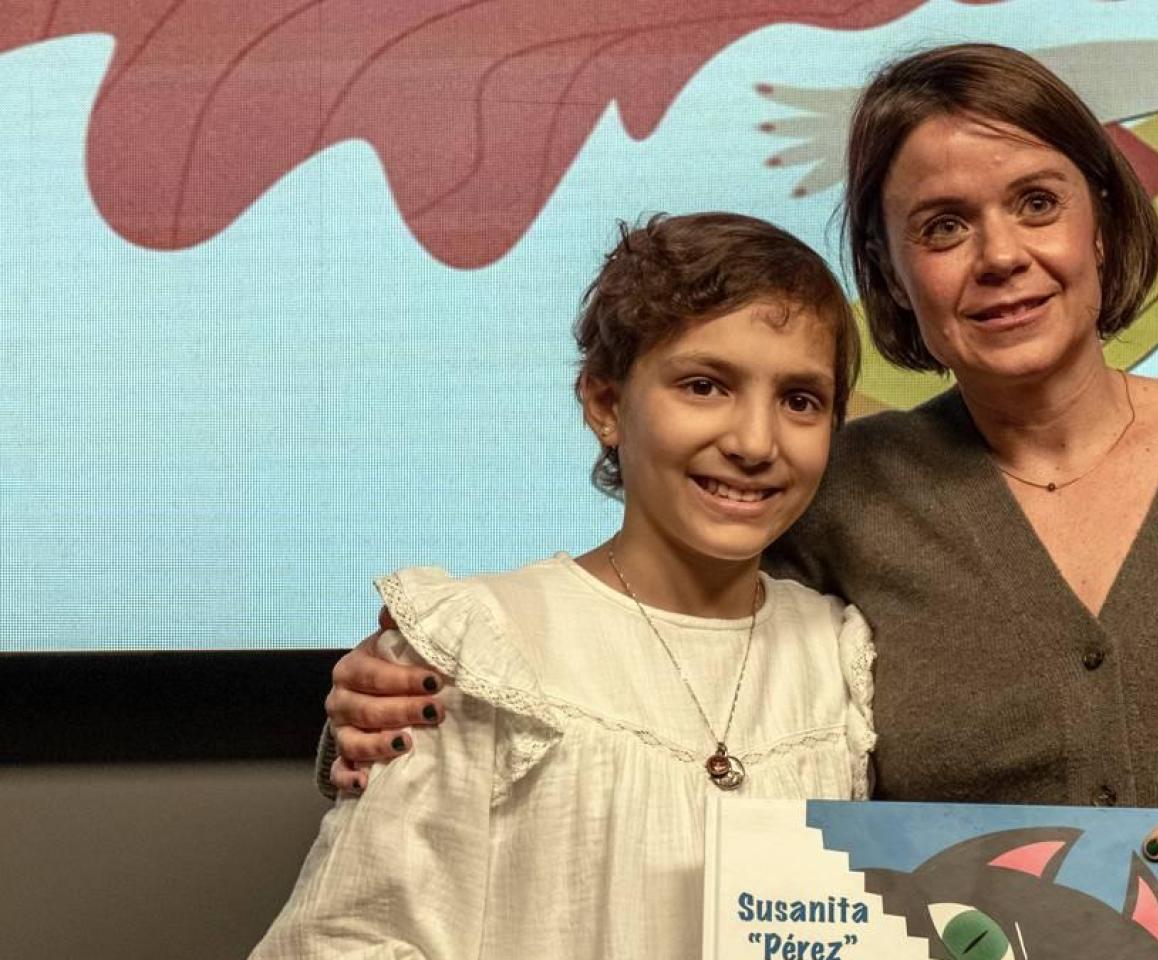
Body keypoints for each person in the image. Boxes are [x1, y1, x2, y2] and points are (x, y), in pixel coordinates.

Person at [320, 45, 1158, 958]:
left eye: (1035, 202)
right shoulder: (843, 491)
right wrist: (395, 705)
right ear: (891, 276)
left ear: (1099, 218)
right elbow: (668, 702)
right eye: (940, 227)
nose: (997, 255)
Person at [253, 212, 874, 958]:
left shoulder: (838, 661)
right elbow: (349, 936)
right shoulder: (491, 650)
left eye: (800, 400)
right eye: (704, 385)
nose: (753, 442)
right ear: (607, 404)